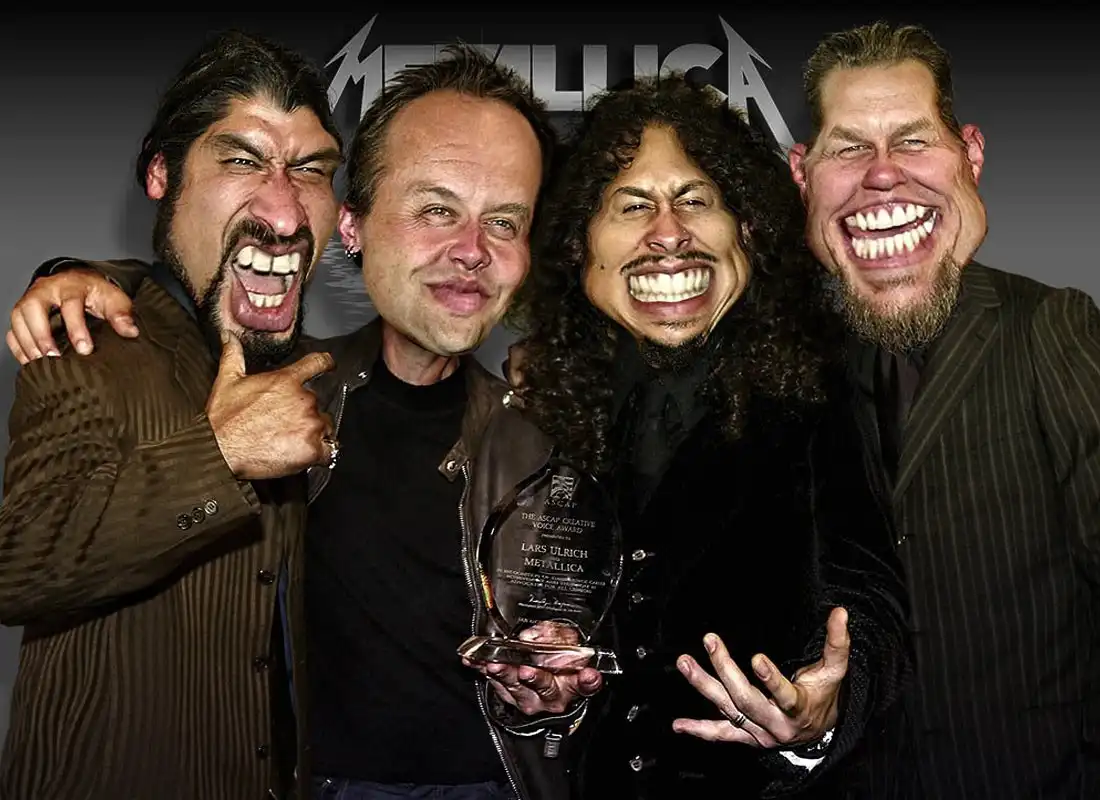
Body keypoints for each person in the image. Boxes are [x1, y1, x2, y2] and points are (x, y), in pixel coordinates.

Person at [4, 44, 600, 800]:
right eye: (435, 210)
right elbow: (24, 561)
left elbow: (572, 646)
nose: (472, 251)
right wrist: (76, 279)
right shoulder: (254, 379)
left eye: (505, 222)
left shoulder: (545, 429)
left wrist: (550, 691)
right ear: (355, 226)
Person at [504, 74, 911, 799]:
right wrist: (551, 680)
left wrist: (823, 712)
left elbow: (871, 603)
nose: (668, 234)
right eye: (633, 205)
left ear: (748, 232)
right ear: (578, 247)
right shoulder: (547, 410)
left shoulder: (825, 393)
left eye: (696, 200)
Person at [0, 30, 343, 800]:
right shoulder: (86, 342)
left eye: (311, 170)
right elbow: (17, 567)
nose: (285, 211)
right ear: (162, 174)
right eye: (241, 161)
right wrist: (219, 456)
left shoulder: (319, 375)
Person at [788, 20, 1100, 799]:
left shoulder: (1052, 327)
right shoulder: (789, 370)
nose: (882, 174)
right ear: (802, 173)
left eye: (913, 141)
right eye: (848, 148)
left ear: (972, 156)